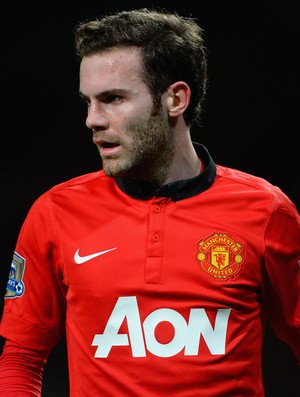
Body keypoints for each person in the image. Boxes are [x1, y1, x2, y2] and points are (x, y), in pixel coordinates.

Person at [0, 7, 299, 397]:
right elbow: (22, 357)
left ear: (175, 99)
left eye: (113, 99)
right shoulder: (54, 213)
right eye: (88, 101)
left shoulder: (267, 211)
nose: (93, 119)